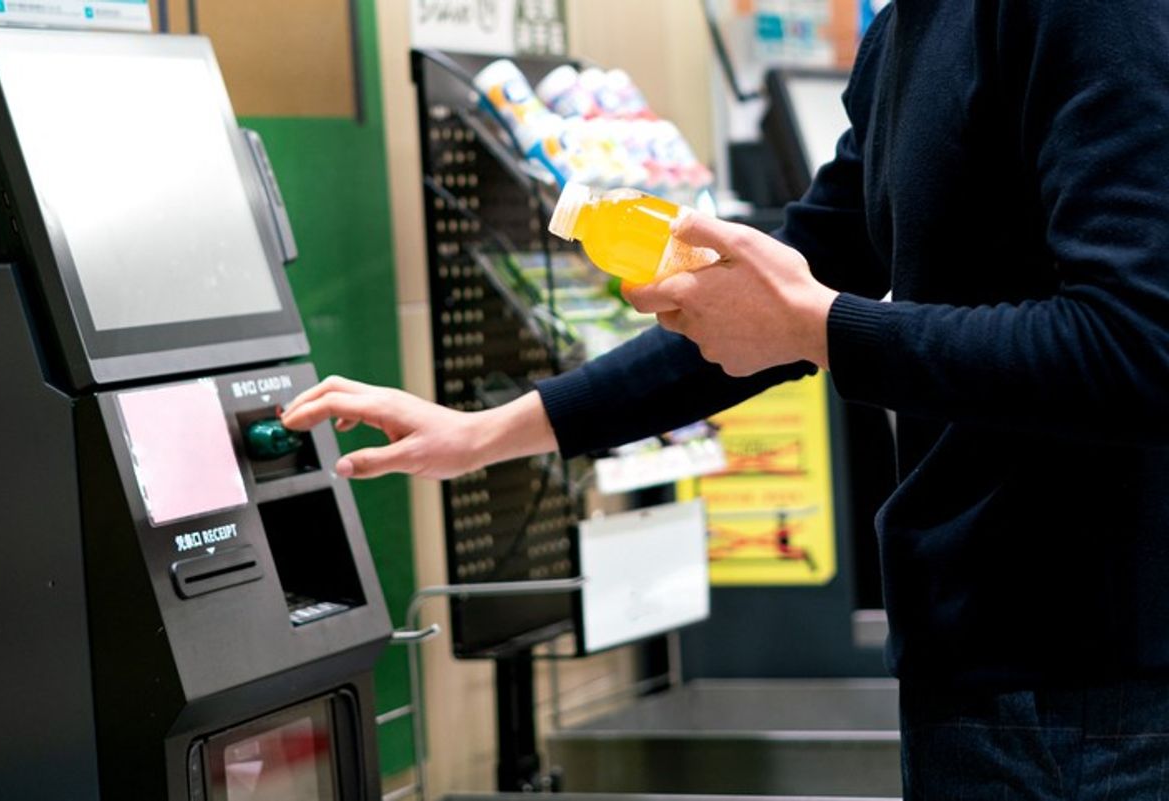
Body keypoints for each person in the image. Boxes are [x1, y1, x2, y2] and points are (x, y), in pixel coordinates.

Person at [283, 1, 1169, 797]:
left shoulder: (1089, 14)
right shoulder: (907, 30)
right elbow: (778, 289)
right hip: (973, 671)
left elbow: (1140, 346)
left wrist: (821, 329)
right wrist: (486, 433)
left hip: (1096, 698)